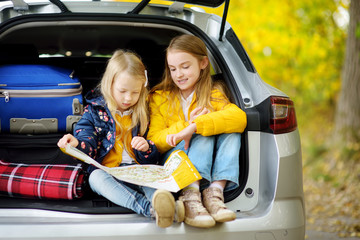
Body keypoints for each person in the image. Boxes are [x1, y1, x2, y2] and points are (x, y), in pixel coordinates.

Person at [57, 50, 184, 228]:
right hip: (107, 171)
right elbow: (88, 141)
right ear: (110, 84)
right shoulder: (94, 111)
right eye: (122, 91)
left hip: (138, 169)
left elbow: (154, 154)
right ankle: (153, 210)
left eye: (135, 92)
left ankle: (164, 203)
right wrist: (77, 143)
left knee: (153, 182)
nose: (128, 98)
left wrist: (147, 148)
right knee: (96, 178)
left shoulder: (144, 112)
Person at [148, 34, 247, 228]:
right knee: (202, 132)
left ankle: (214, 193)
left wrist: (196, 125)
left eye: (185, 67)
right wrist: (186, 126)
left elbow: (240, 119)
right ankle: (190, 195)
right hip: (175, 160)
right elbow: (154, 141)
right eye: (173, 68)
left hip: (207, 167)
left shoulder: (213, 92)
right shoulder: (159, 97)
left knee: (227, 128)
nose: (178, 75)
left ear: (203, 63)